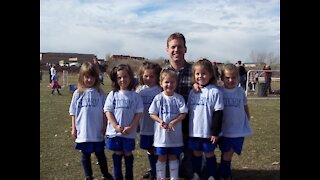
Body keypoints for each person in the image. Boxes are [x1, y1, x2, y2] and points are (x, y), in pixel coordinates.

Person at [68, 62, 114, 180]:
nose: (89, 79)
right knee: (85, 155)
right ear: (82, 77)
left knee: (100, 154)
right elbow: (73, 112)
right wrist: (74, 128)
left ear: (96, 77)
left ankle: (105, 174)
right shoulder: (78, 93)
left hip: (97, 129)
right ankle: (88, 175)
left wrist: (105, 125)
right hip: (83, 130)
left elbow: (105, 111)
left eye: (92, 77)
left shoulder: (100, 93)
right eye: (86, 76)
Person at [104, 64, 143, 180]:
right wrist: (115, 126)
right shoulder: (113, 95)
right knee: (117, 154)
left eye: (125, 77)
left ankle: (129, 176)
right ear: (116, 80)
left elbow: (138, 113)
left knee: (127, 154)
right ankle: (118, 177)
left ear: (130, 78)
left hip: (129, 133)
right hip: (115, 132)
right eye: (119, 77)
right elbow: (108, 111)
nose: (122, 80)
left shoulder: (135, 96)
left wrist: (131, 127)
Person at [149, 68, 188, 180]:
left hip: (174, 137)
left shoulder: (179, 98)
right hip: (161, 137)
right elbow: (152, 113)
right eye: (166, 82)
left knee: (173, 157)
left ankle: (174, 178)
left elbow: (183, 113)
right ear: (161, 83)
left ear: (176, 83)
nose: (169, 85)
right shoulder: (158, 98)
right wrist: (160, 121)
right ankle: (160, 177)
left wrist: (173, 122)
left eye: (172, 82)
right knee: (161, 157)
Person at [164, 32, 194, 180]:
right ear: (167, 49)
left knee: (188, 171)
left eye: (179, 47)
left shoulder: (195, 71)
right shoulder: (162, 72)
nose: (176, 50)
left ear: (185, 49)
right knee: (169, 169)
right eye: (173, 47)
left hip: (189, 123)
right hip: (167, 124)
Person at [188, 59, 224, 180]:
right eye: (197, 74)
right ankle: (196, 174)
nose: (200, 76)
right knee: (196, 153)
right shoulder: (193, 92)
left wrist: (215, 132)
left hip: (208, 132)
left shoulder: (215, 92)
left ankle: (211, 175)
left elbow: (218, 113)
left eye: (204, 73)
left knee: (209, 154)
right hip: (194, 131)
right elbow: (188, 112)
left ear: (210, 75)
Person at [217, 63, 252, 180]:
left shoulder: (240, 91)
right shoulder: (219, 91)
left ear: (238, 78)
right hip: (224, 130)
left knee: (229, 153)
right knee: (226, 153)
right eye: (227, 77)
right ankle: (224, 174)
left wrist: (247, 118)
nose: (231, 80)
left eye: (234, 77)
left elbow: (245, 106)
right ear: (222, 78)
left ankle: (223, 174)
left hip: (237, 130)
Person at [136, 61, 162, 180]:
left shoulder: (159, 90)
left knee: (158, 150)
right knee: (149, 150)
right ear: (141, 76)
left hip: (157, 128)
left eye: (152, 76)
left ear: (157, 77)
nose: (149, 78)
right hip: (144, 127)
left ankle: (159, 172)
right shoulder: (139, 91)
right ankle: (153, 169)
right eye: (146, 76)